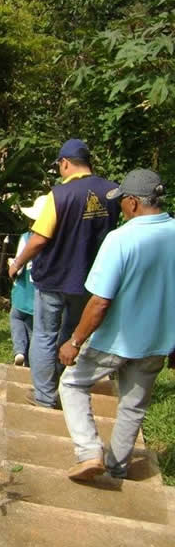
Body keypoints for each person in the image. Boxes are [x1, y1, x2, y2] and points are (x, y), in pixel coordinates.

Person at [57, 169, 175, 482]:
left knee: (71, 384)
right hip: (157, 342)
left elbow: (99, 302)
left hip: (116, 340)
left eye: (122, 200)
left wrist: (74, 341)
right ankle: (116, 468)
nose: (120, 206)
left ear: (133, 202)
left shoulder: (121, 239)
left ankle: (89, 452)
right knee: (133, 407)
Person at [8, 139, 119, 409]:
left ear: (65, 163)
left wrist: (17, 263)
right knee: (70, 335)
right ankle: (60, 384)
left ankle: (44, 396)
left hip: (54, 278)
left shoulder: (59, 195)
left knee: (44, 335)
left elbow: (39, 239)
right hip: (90, 280)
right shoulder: (113, 193)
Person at [8, 195, 46, 367]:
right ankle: (32, 362)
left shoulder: (26, 238)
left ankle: (19, 351)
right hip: (42, 295)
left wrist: (12, 267)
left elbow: (18, 267)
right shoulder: (56, 241)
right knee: (34, 330)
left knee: (16, 318)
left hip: (23, 292)